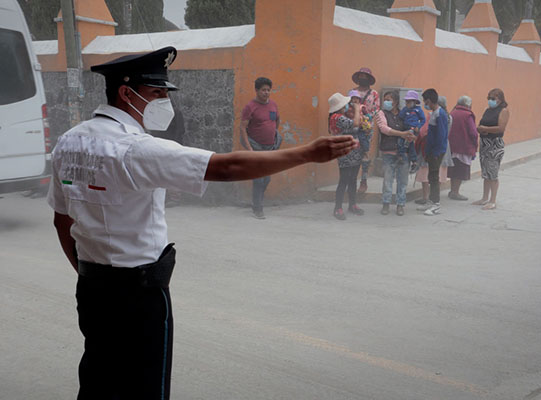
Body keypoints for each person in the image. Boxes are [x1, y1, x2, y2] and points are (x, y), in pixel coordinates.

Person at [47, 47, 357, 399]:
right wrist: (307, 153)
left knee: (98, 378)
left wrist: (90, 274)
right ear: (126, 93)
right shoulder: (137, 149)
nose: (164, 101)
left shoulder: (68, 142)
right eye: (157, 93)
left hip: (92, 289)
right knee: (144, 388)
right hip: (139, 295)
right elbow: (227, 166)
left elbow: (61, 220)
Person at [239, 77, 281, 219]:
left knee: (266, 179)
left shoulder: (273, 105)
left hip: (270, 147)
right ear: (256, 90)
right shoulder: (250, 107)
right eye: (263, 90)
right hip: (256, 147)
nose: (266, 92)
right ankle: (258, 208)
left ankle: (257, 202)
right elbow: (242, 128)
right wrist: (249, 148)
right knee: (258, 178)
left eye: (268, 90)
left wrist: (273, 136)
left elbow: (277, 121)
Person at [374, 91, 417, 216]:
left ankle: (400, 204)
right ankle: (386, 203)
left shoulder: (404, 113)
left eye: (389, 99)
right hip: (388, 151)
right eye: (385, 99)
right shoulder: (381, 113)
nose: (386, 102)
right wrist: (402, 134)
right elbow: (384, 129)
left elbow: (411, 126)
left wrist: (412, 133)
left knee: (402, 181)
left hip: (404, 152)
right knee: (387, 180)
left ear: (396, 102)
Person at [328, 92, 365, 220]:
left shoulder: (338, 117)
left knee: (352, 179)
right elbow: (356, 123)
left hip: (353, 151)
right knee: (344, 180)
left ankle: (352, 204)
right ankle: (338, 208)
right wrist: (357, 109)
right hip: (346, 152)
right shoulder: (338, 118)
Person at [473, 88, 510, 210]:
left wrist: (486, 129)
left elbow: (501, 128)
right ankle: (484, 198)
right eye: (489, 98)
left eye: (493, 98)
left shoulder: (503, 111)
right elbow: (482, 123)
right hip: (484, 143)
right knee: (486, 172)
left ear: (500, 99)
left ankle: (492, 200)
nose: (490, 100)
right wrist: (480, 129)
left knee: (493, 173)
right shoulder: (488, 110)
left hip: (495, 144)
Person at [419, 88, 448, 216]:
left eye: (425, 102)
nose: (425, 104)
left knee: (434, 177)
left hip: (436, 152)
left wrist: (435, 153)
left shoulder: (440, 114)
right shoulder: (434, 113)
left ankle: (436, 204)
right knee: (431, 176)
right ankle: (431, 201)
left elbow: (441, 136)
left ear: (430, 101)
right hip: (431, 151)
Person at [351, 67, 380, 193]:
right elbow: (347, 106)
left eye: (364, 76)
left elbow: (376, 109)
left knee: (365, 152)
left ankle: (363, 181)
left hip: (367, 127)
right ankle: (351, 180)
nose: (362, 78)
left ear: (369, 79)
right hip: (354, 125)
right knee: (353, 152)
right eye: (360, 76)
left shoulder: (374, 94)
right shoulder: (352, 92)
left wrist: (366, 118)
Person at [447, 95, 479, 200]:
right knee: (460, 170)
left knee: (453, 170)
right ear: (468, 104)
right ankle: (455, 192)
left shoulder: (453, 112)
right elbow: (473, 132)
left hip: (452, 146)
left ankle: (452, 190)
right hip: (464, 146)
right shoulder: (468, 115)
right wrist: (475, 145)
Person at [398, 90, 426, 172]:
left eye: (409, 101)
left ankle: (412, 160)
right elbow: (400, 117)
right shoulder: (405, 109)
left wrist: (418, 126)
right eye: (406, 101)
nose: (407, 103)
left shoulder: (418, 110)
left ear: (414, 102)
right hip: (405, 128)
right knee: (401, 141)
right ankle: (402, 156)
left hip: (413, 129)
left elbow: (423, 120)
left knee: (409, 142)